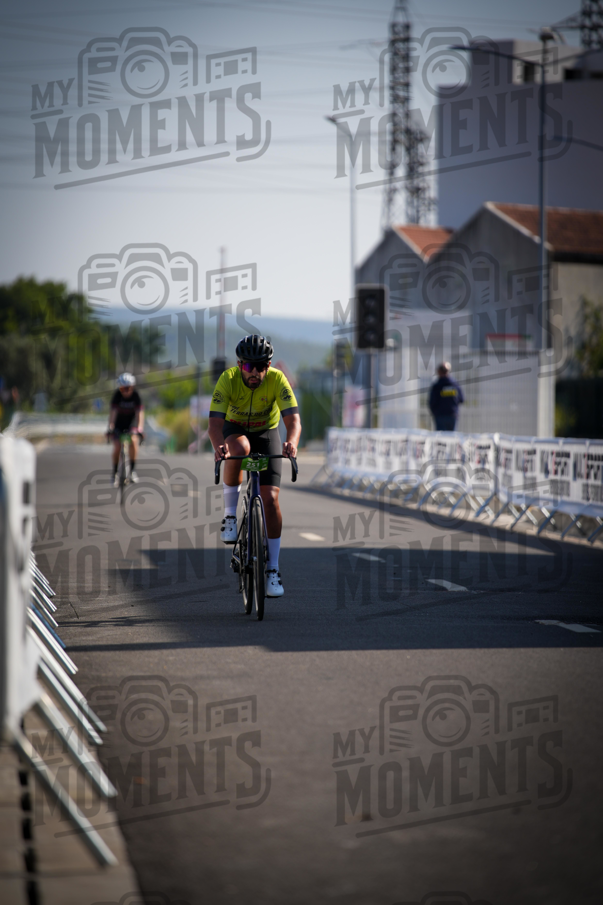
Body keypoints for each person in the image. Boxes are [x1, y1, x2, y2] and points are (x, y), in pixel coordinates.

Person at [208, 335, 301, 598]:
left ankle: (272, 569)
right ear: (239, 365)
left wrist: (291, 442)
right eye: (249, 367)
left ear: (268, 365)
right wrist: (219, 447)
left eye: (261, 367)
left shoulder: (277, 379)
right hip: (234, 429)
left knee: (270, 500)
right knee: (240, 450)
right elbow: (214, 426)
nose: (255, 373)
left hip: (266, 432)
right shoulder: (227, 379)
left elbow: (293, 421)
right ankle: (229, 515)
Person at [108, 373, 144, 486]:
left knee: (133, 441)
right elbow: (113, 414)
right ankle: (114, 473)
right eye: (122, 388)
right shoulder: (117, 396)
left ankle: (132, 471)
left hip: (131, 423)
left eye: (128, 388)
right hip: (119, 424)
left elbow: (140, 414)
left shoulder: (136, 396)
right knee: (117, 446)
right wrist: (111, 427)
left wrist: (139, 429)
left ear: (132, 387)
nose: (125, 391)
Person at [428, 361, 464, 431]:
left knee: (441, 438)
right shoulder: (455, 385)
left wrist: (435, 412)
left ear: (439, 372)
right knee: (452, 438)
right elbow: (461, 399)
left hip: (440, 416)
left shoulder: (437, 386)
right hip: (452, 415)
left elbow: (432, 402)